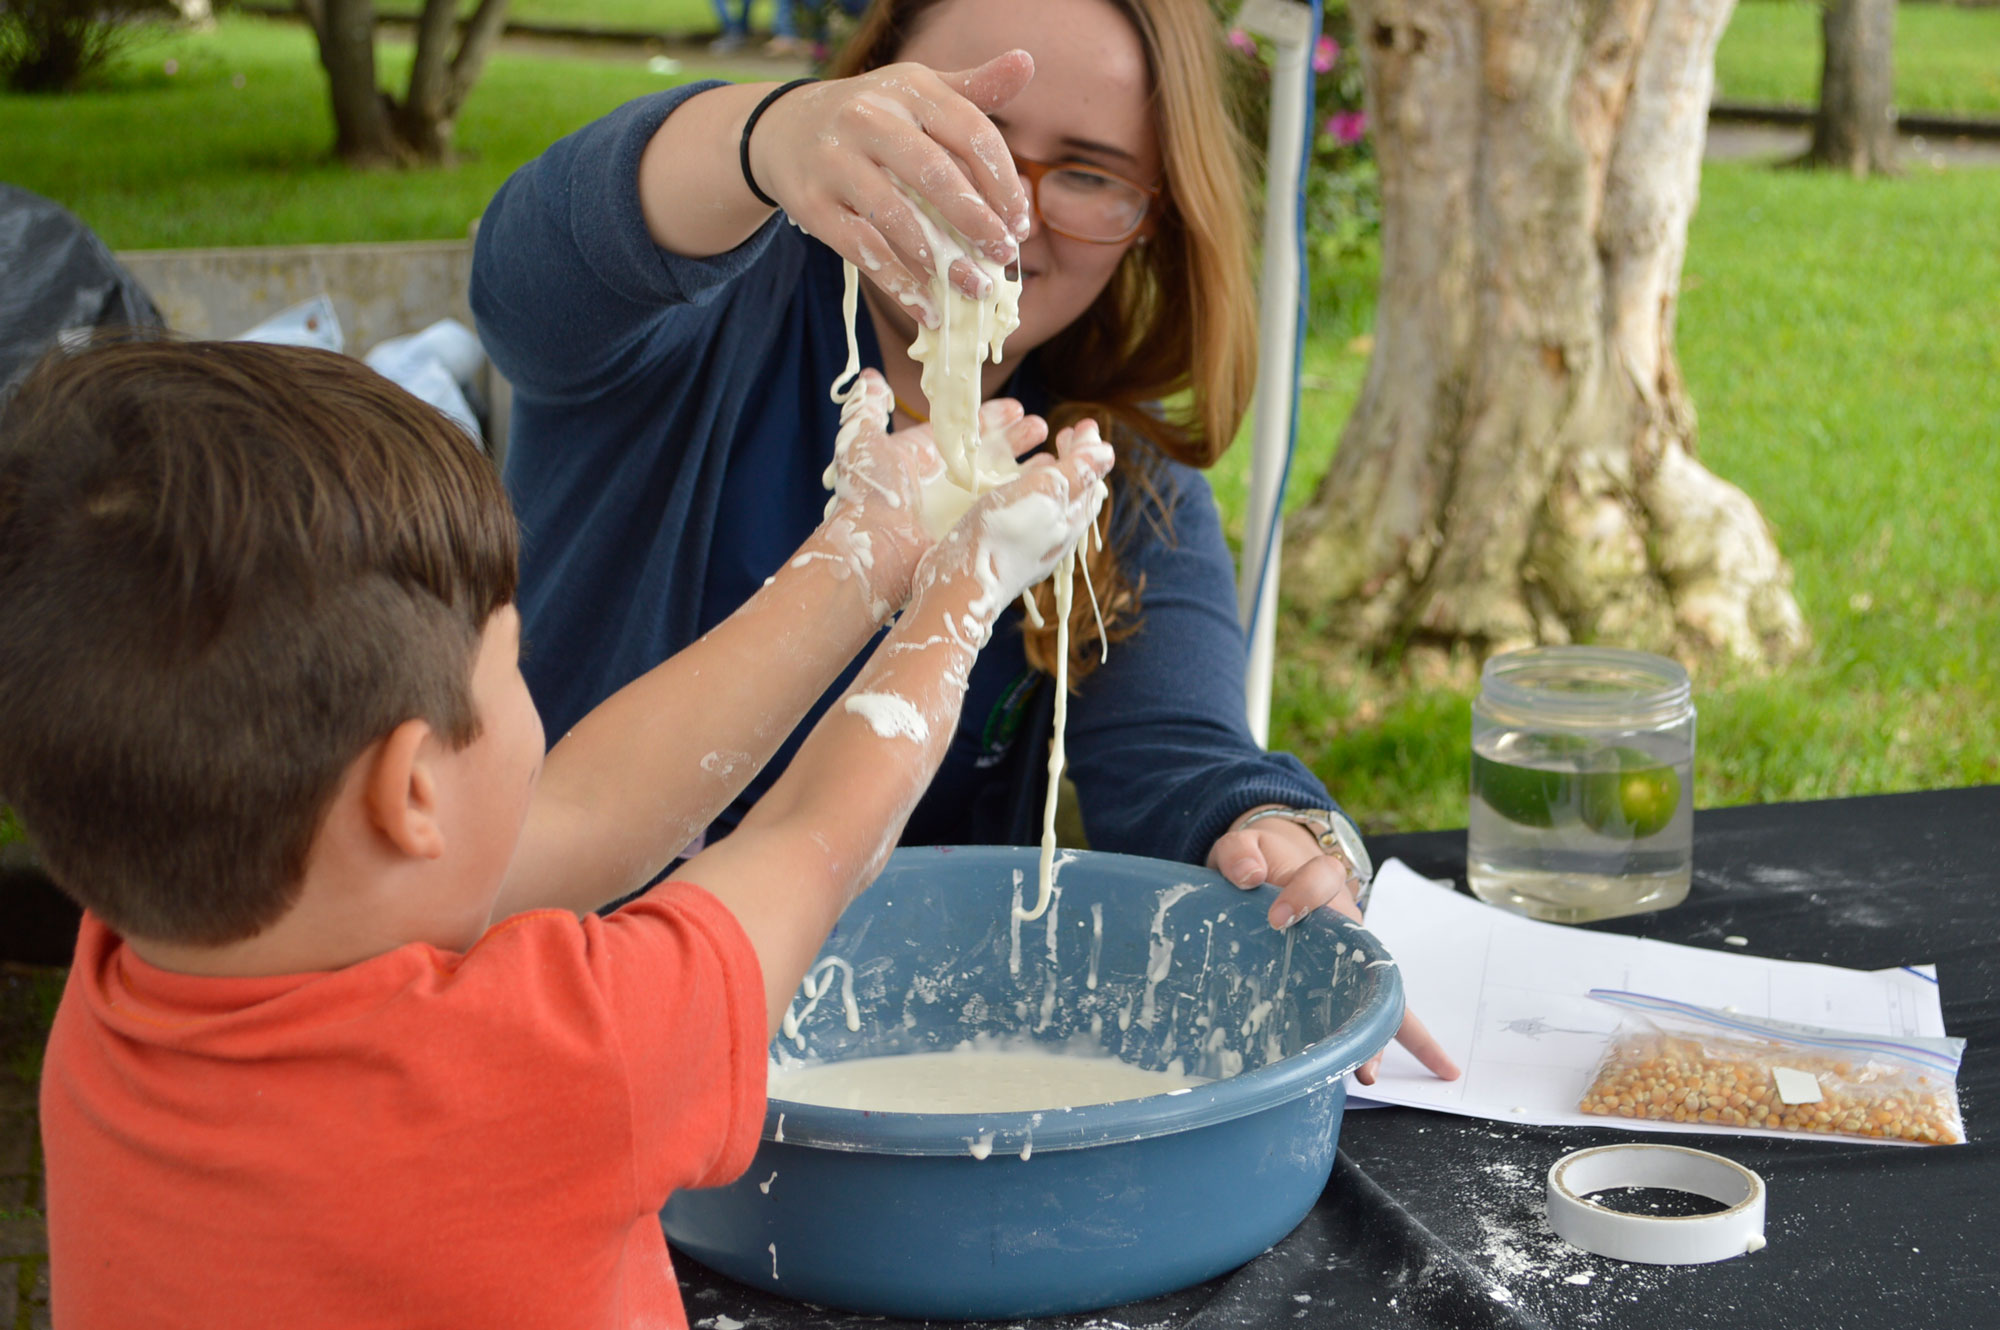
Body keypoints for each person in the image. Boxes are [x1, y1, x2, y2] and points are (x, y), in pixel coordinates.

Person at [4, 337, 1108, 1328]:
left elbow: (588, 812)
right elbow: (812, 840)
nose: (533, 713)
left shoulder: (133, 972)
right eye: (511, 664)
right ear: (410, 794)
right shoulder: (557, 1060)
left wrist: (863, 551)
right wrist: (963, 592)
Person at [471, 0, 1456, 1081]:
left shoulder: (1096, 462)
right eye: (955, 139)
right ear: (864, 97)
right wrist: (765, 136)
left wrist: (1274, 830)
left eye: (1087, 174)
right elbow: (529, 269)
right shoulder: (684, 326)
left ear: (1153, 217)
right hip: (553, 1023)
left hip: (887, 1060)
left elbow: (1180, 759)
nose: (1001, 215)